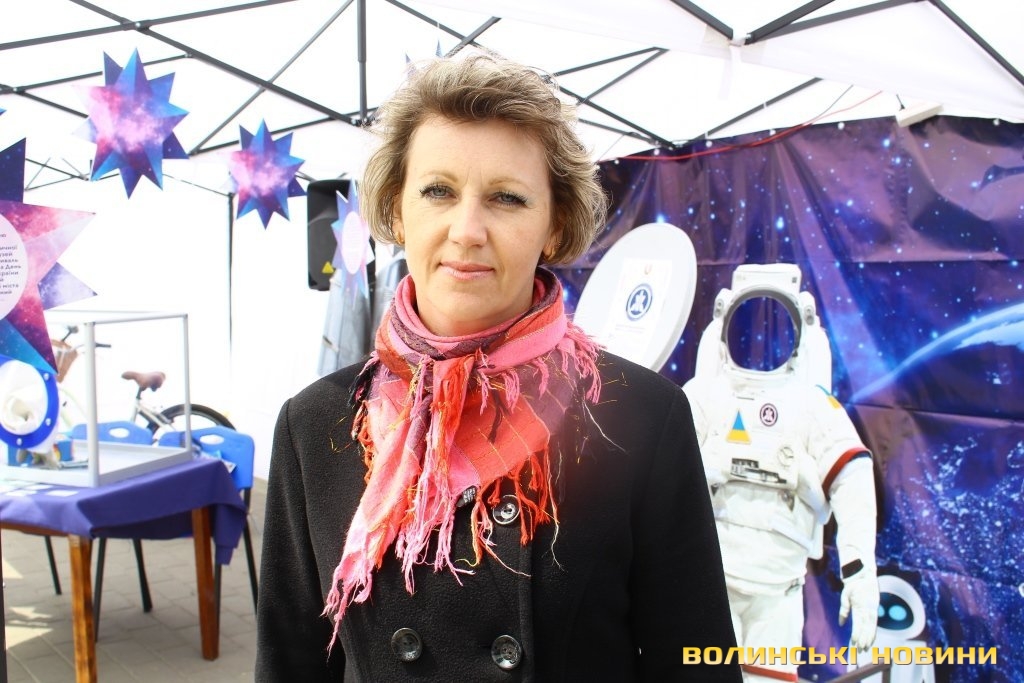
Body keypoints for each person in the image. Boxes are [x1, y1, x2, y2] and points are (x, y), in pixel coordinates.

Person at [256, 52, 741, 682]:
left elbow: (697, 661)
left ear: (554, 226)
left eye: (507, 198)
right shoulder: (314, 424)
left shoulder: (642, 416)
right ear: (397, 211)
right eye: (437, 191)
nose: (467, 230)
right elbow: (290, 663)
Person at [682, 264, 879, 683]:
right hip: (708, 585)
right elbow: (663, 477)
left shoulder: (811, 405)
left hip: (777, 596)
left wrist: (860, 571)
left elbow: (852, 476)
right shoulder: (704, 396)